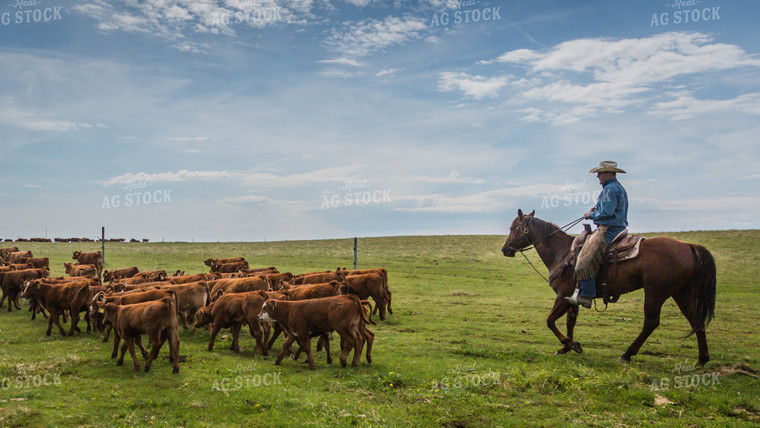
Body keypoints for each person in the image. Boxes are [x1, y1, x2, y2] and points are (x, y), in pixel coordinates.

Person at [565, 161, 628, 308]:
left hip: (608, 229)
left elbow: (607, 213)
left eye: (599, 173)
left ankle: (586, 294)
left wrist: (591, 215)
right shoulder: (616, 188)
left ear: (609, 173)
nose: (598, 176)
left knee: (585, 258)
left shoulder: (610, 190)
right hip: (616, 228)